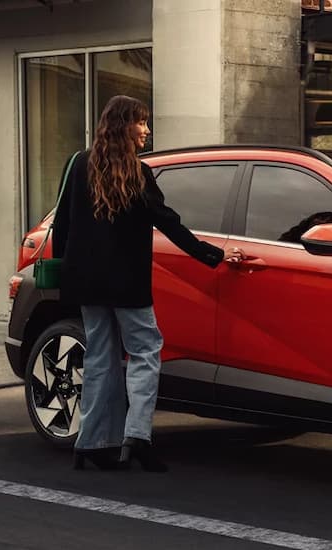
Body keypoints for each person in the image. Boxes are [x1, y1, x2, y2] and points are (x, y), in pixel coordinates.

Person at [51, 95, 240, 472]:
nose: (146, 130)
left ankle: (90, 443)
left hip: (86, 283)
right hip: (126, 284)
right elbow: (169, 223)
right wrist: (214, 255)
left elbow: (63, 225)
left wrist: (66, 275)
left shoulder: (78, 165)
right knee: (145, 351)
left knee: (100, 358)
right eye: (141, 123)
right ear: (124, 125)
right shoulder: (138, 174)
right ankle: (137, 436)